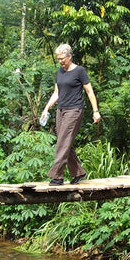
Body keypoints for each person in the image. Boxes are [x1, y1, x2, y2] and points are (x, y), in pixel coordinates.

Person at [40, 44, 101, 185]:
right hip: (60, 110)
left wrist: (95, 111)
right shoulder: (59, 72)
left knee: (62, 142)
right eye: (58, 59)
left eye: (62, 59)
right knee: (65, 142)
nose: (60, 61)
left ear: (70, 56)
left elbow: (90, 92)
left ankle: (57, 176)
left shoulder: (79, 71)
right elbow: (56, 93)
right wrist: (46, 108)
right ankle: (79, 172)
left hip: (74, 110)